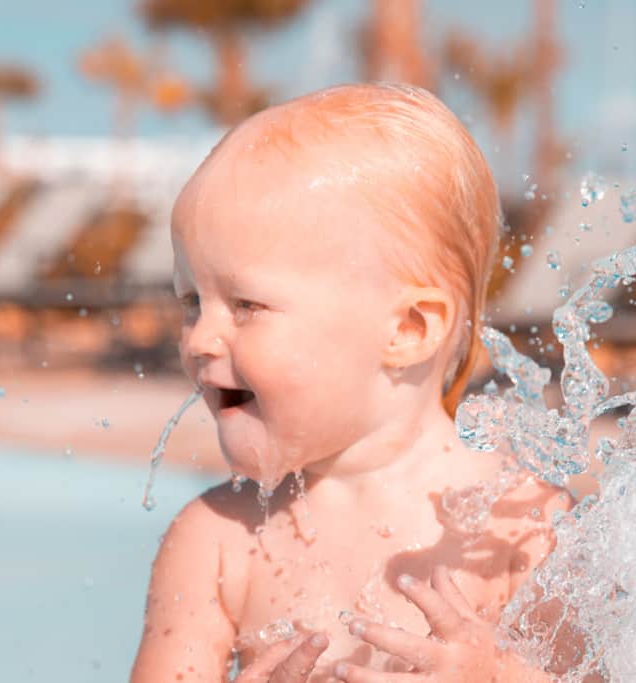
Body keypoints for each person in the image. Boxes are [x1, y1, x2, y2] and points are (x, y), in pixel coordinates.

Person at [130, 82, 571, 682]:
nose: (198, 339)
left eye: (245, 304)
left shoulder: (524, 530)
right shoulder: (216, 544)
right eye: (190, 301)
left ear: (410, 328)